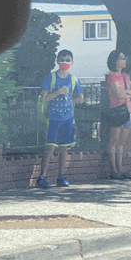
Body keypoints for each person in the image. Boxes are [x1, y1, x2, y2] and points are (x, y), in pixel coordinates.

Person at [36, 49, 84, 188]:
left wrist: (69, 102)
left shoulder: (74, 79)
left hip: (68, 118)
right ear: (57, 61)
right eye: (62, 59)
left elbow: (80, 97)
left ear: (72, 62)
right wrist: (58, 92)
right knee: (50, 147)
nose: (65, 62)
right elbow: (44, 98)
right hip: (53, 118)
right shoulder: (51, 77)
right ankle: (42, 176)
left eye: (68, 60)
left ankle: (61, 176)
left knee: (64, 148)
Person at [106, 50, 131, 180]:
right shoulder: (112, 75)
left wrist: (127, 92)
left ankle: (120, 168)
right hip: (116, 110)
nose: (124, 60)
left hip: (127, 110)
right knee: (114, 140)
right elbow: (118, 93)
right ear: (115, 61)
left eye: (125, 58)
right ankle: (113, 169)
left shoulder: (126, 76)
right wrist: (128, 92)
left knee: (122, 141)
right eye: (121, 58)